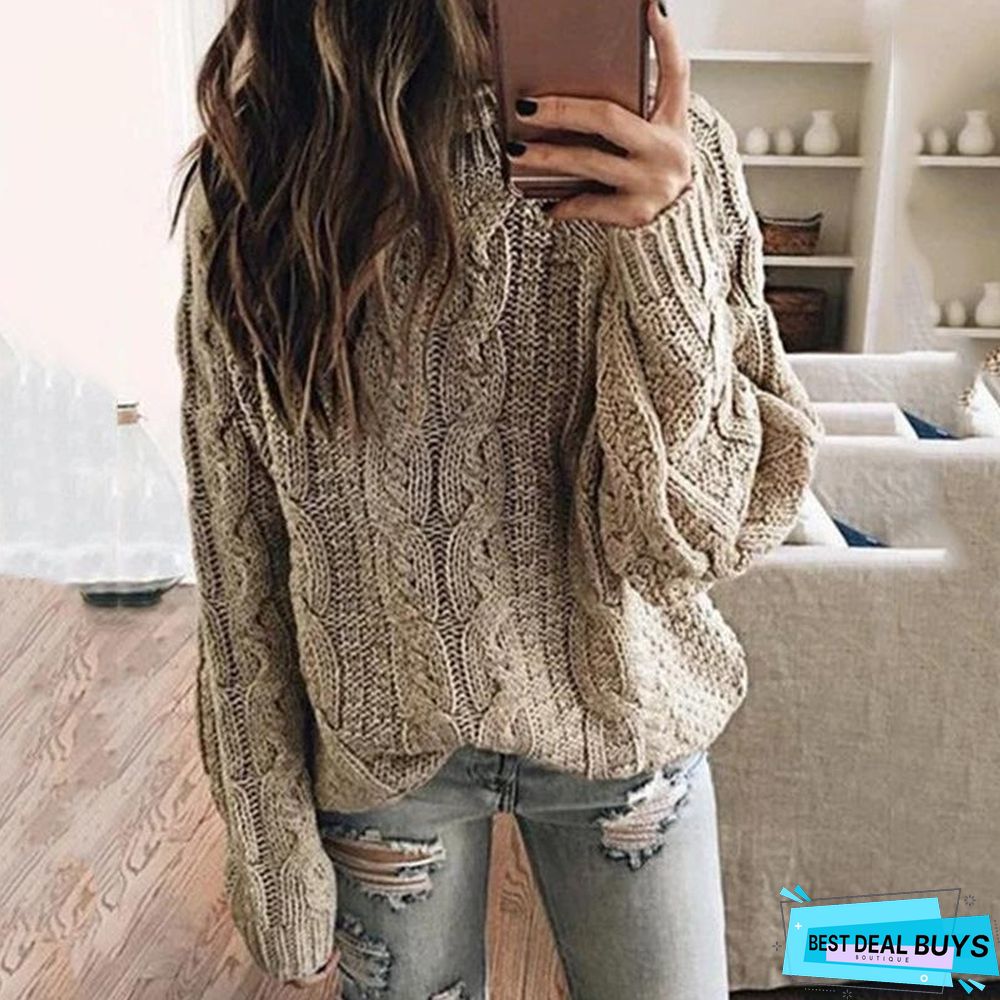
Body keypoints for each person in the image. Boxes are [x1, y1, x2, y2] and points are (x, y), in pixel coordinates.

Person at [171, 0, 823, 996]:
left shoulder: (669, 153)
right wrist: (267, 835)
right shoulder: (267, 171)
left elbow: (691, 537)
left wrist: (665, 244)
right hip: (384, 751)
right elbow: (235, 535)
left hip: (627, 726)